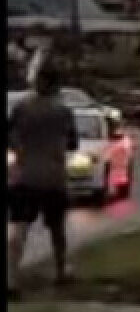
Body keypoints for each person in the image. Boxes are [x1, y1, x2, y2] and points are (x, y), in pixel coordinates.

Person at [7, 62, 78, 297]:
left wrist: (21, 149)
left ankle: (11, 278)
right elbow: (72, 143)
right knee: (57, 229)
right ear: (57, 85)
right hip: (53, 177)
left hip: (24, 175)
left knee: (19, 228)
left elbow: (10, 135)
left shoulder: (21, 108)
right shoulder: (63, 112)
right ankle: (61, 271)